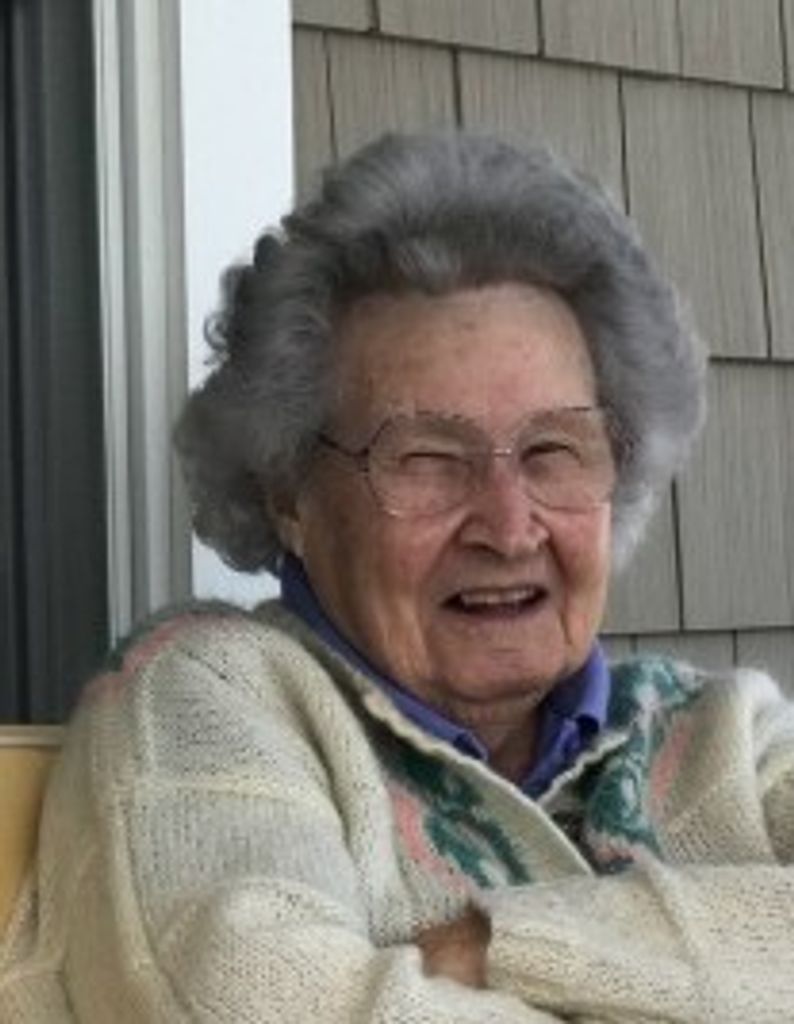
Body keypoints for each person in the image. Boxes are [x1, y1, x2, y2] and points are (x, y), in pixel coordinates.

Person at [2, 131, 794, 1023]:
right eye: (426, 458)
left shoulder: (721, 735)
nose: (508, 526)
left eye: (553, 449)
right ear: (288, 491)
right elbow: (252, 1003)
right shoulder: (204, 702)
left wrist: (500, 946)